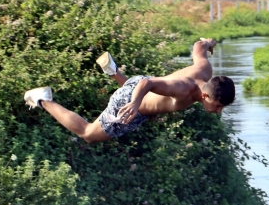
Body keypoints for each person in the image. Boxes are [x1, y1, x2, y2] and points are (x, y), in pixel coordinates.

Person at [23, 38, 235, 143]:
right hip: (135, 97)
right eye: (217, 107)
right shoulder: (183, 88)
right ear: (206, 95)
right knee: (88, 134)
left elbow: (199, 47)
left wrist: (209, 42)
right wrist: (133, 104)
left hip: (137, 87)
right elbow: (148, 84)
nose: (218, 111)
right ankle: (43, 99)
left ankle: (112, 70)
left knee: (140, 94)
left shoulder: (205, 69)